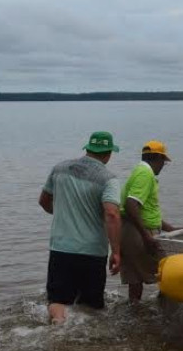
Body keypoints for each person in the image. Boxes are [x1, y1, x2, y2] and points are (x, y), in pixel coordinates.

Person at [39, 131, 122, 324]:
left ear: (88, 149)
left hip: (61, 247)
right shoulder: (109, 179)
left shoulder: (59, 169)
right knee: (91, 306)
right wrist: (116, 251)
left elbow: (43, 201)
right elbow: (112, 214)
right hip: (92, 251)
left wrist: (62, 214)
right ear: (109, 153)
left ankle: (58, 326)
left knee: (58, 299)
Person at [120, 140, 183, 302]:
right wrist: (146, 236)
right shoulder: (145, 174)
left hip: (128, 232)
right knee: (168, 271)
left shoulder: (139, 171)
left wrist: (171, 229)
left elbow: (145, 211)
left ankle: (135, 313)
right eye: (163, 161)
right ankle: (166, 312)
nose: (163, 166)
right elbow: (131, 204)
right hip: (139, 233)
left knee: (135, 278)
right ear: (157, 157)